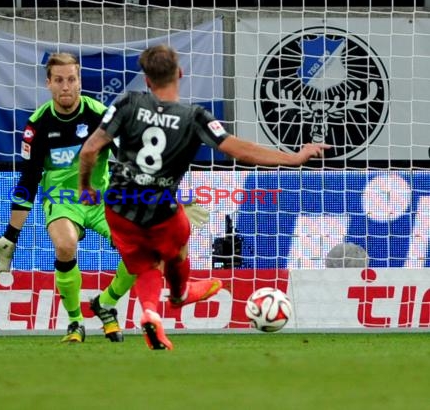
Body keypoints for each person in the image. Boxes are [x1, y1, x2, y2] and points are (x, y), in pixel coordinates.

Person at [78, 44, 330, 350]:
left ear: (146, 80)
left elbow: (90, 149)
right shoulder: (194, 116)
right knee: (178, 245)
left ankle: (149, 313)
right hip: (160, 207)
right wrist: (293, 157)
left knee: (146, 266)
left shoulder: (128, 102)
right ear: (180, 74)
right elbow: (237, 149)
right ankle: (180, 294)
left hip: (118, 205)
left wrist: (85, 188)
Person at [0, 53, 137, 343]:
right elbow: (28, 180)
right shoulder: (37, 126)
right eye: (59, 80)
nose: (66, 86)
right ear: (48, 84)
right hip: (60, 199)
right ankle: (75, 322)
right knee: (65, 245)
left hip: (100, 198)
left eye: (72, 79)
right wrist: (10, 235)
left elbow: (128, 160)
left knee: (140, 249)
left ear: (79, 82)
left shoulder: (100, 114)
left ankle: (105, 303)